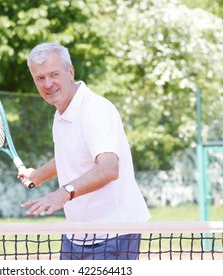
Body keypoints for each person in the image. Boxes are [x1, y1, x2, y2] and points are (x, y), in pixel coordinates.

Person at [18, 42, 150, 260]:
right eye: (40, 78)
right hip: (76, 234)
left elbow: (108, 168)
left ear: (70, 72)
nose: (48, 83)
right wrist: (38, 175)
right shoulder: (61, 113)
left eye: (54, 74)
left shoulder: (95, 109)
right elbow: (70, 155)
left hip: (114, 234)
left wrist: (63, 193)